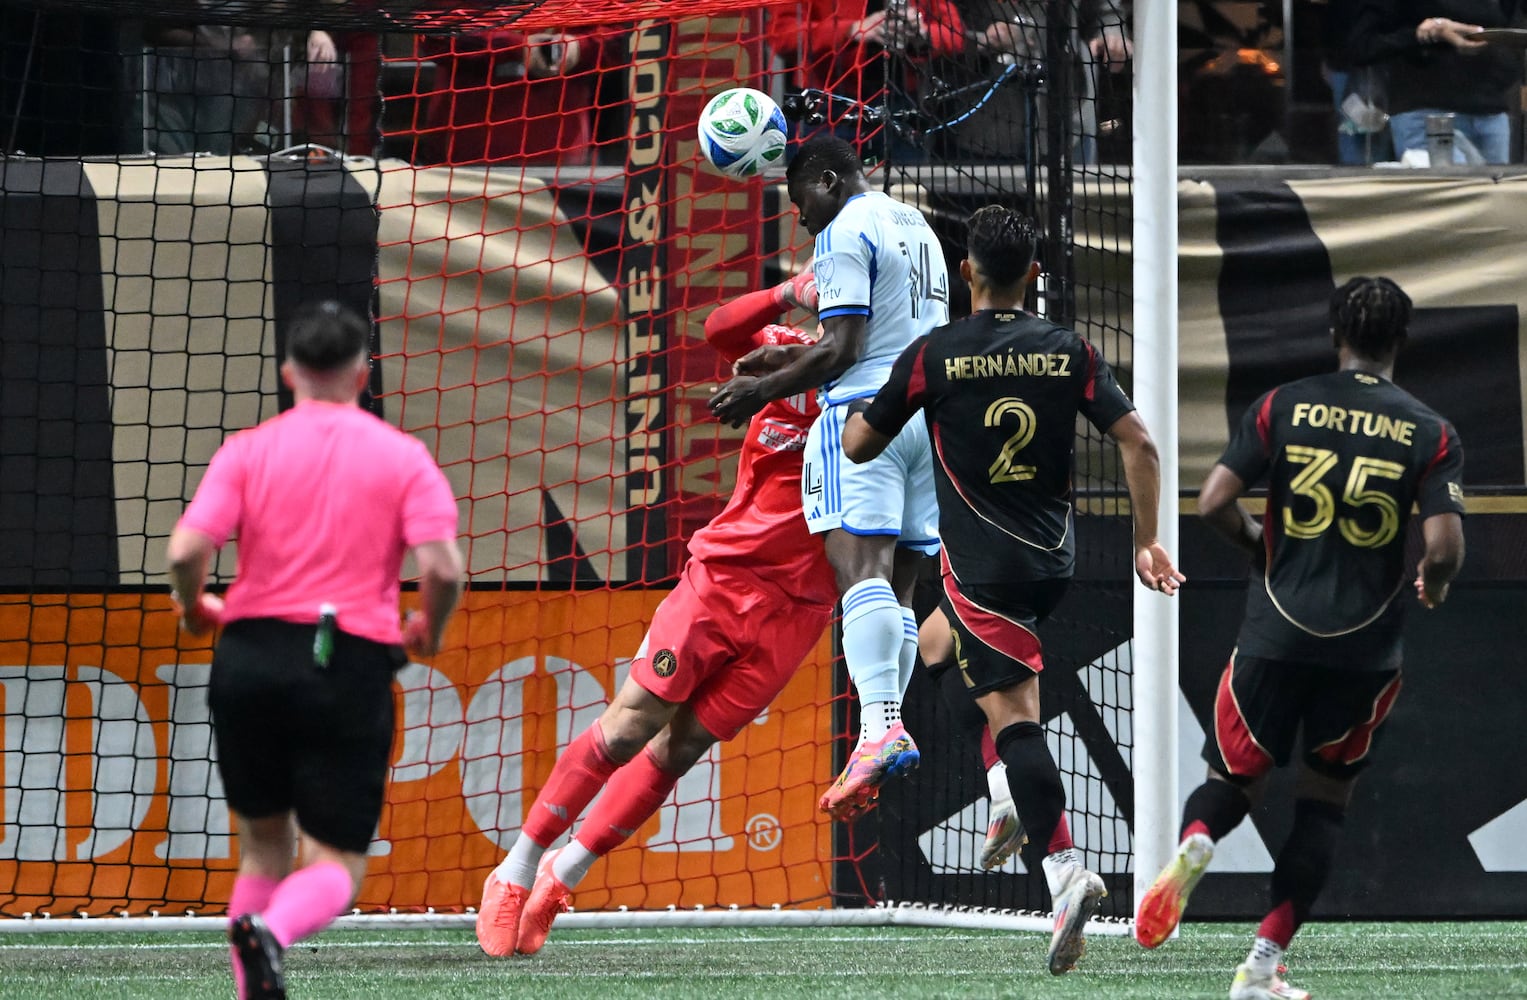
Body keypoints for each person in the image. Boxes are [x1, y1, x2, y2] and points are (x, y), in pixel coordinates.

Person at [840, 204, 1184, 974]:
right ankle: (1002, 791)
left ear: (966, 271)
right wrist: (1146, 540)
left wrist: (856, 402)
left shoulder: (933, 354)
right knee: (930, 644)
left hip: (983, 568)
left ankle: (1064, 874)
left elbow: (861, 448)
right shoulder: (1069, 349)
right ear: (1034, 273)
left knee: (1017, 717)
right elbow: (1139, 441)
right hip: (1052, 561)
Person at [476, 270, 838, 958]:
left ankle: (562, 877)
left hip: (800, 609)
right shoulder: (788, 350)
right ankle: (515, 869)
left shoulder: (886, 388)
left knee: (683, 748)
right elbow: (718, 330)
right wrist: (793, 287)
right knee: (626, 727)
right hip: (722, 580)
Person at [1134, 277, 1466, 1000]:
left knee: (1231, 782)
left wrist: (1262, 546)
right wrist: (1433, 585)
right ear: (1399, 343)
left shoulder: (1280, 405)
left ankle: (1197, 843)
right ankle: (1258, 970)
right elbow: (1441, 547)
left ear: (1332, 336)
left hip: (1271, 634)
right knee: (1322, 804)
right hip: (1363, 651)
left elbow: (1213, 501)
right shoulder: (1428, 431)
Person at [166, 300, 464, 1000]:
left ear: (288, 373)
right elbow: (444, 569)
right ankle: (273, 932)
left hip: (248, 658)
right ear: (363, 374)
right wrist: (430, 628)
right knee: (337, 862)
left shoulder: (247, 449)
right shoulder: (401, 456)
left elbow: (186, 550)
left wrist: (195, 609)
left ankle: (253, 980)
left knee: (262, 847)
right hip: (346, 660)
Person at [710, 135, 950, 822]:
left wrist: (761, 392)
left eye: (800, 202)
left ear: (826, 179)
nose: (802, 219)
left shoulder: (845, 229)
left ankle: (876, 731)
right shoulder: (914, 221)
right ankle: (882, 728)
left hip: (862, 422)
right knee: (899, 586)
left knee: (860, 576)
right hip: (924, 419)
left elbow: (842, 351)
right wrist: (780, 363)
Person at [1347, 0, 1526, 164]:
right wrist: (1422, 35)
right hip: (1427, 114)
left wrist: (1506, 65)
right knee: (1443, 197)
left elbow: (1512, 22)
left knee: (1494, 198)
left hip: (1491, 114)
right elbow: (1362, 45)